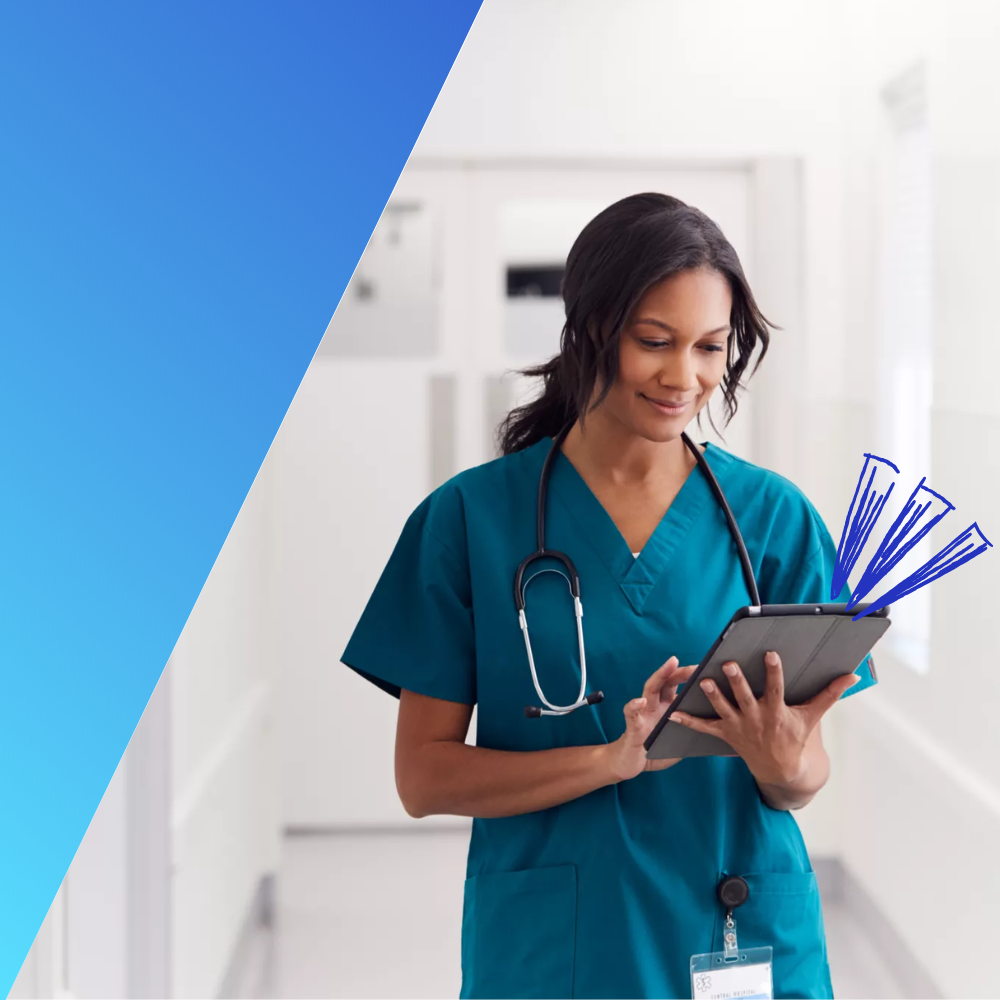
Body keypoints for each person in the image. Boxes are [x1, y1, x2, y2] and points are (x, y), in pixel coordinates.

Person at [341, 192, 875, 1000]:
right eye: (654, 341)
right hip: (558, 944)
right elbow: (424, 777)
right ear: (591, 328)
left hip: (733, 922)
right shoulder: (470, 521)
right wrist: (609, 760)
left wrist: (786, 763)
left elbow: (802, 773)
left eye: (709, 347)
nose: (684, 376)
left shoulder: (774, 521)